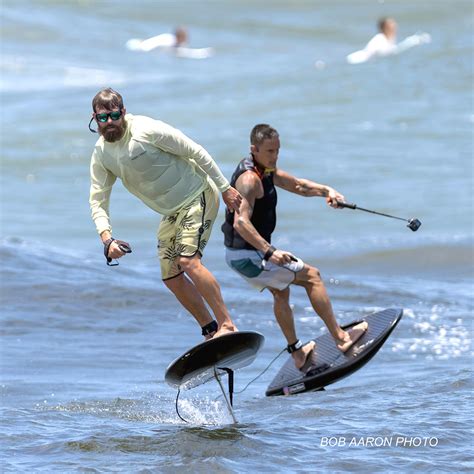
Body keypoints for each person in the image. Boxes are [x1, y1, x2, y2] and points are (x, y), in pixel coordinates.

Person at [88, 87, 242, 339]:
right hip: (171, 212)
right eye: (103, 118)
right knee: (171, 276)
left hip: (197, 195)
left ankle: (227, 324)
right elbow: (97, 199)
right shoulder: (102, 154)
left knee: (189, 261)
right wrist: (107, 239)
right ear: (95, 119)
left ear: (123, 112)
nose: (110, 123)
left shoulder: (146, 130)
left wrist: (225, 188)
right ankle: (210, 330)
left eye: (114, 115)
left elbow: (194, 150)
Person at [221, 124, 368, 372]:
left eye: (277, 150)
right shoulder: (249, 180)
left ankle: (298, 353)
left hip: (246, 254)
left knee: (281, 292)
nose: (275, 156)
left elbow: (298, 185)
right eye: (269, 151)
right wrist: (271, 252)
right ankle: (341, 339)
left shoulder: (264, 169)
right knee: (312, 276)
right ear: (253, 149)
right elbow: (241, 223)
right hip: (249, 256)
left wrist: (327, 191)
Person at [346, 17, 431, 64]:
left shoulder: (389, 38)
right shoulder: (379, 38)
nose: (394, 26)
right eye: (391, 25)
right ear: (384, 28)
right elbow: (369, 53)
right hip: (363, 59)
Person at [126, 26, 214, 59]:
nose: (187, 38)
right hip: (139, 47)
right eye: (185, 36)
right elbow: (183, 52)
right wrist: (202, 53)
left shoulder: (176, 42)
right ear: (180, 36)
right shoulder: (169, 40)